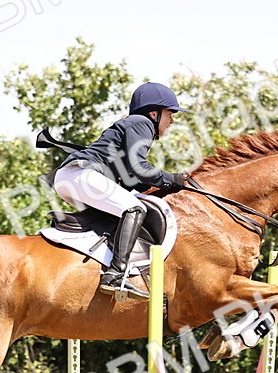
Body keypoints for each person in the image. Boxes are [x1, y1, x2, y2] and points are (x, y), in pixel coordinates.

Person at [48, 82, 191, 300]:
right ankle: (114, 275)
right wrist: (172, 179)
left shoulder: (133, 125)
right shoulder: (142, 123)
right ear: (154, 113)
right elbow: (139, 168)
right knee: (134, 208)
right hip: (80, 174)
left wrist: (161, 185)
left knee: (120, 209)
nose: (172, 120)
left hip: (71, 177)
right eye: (169, 113)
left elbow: (129, 177)